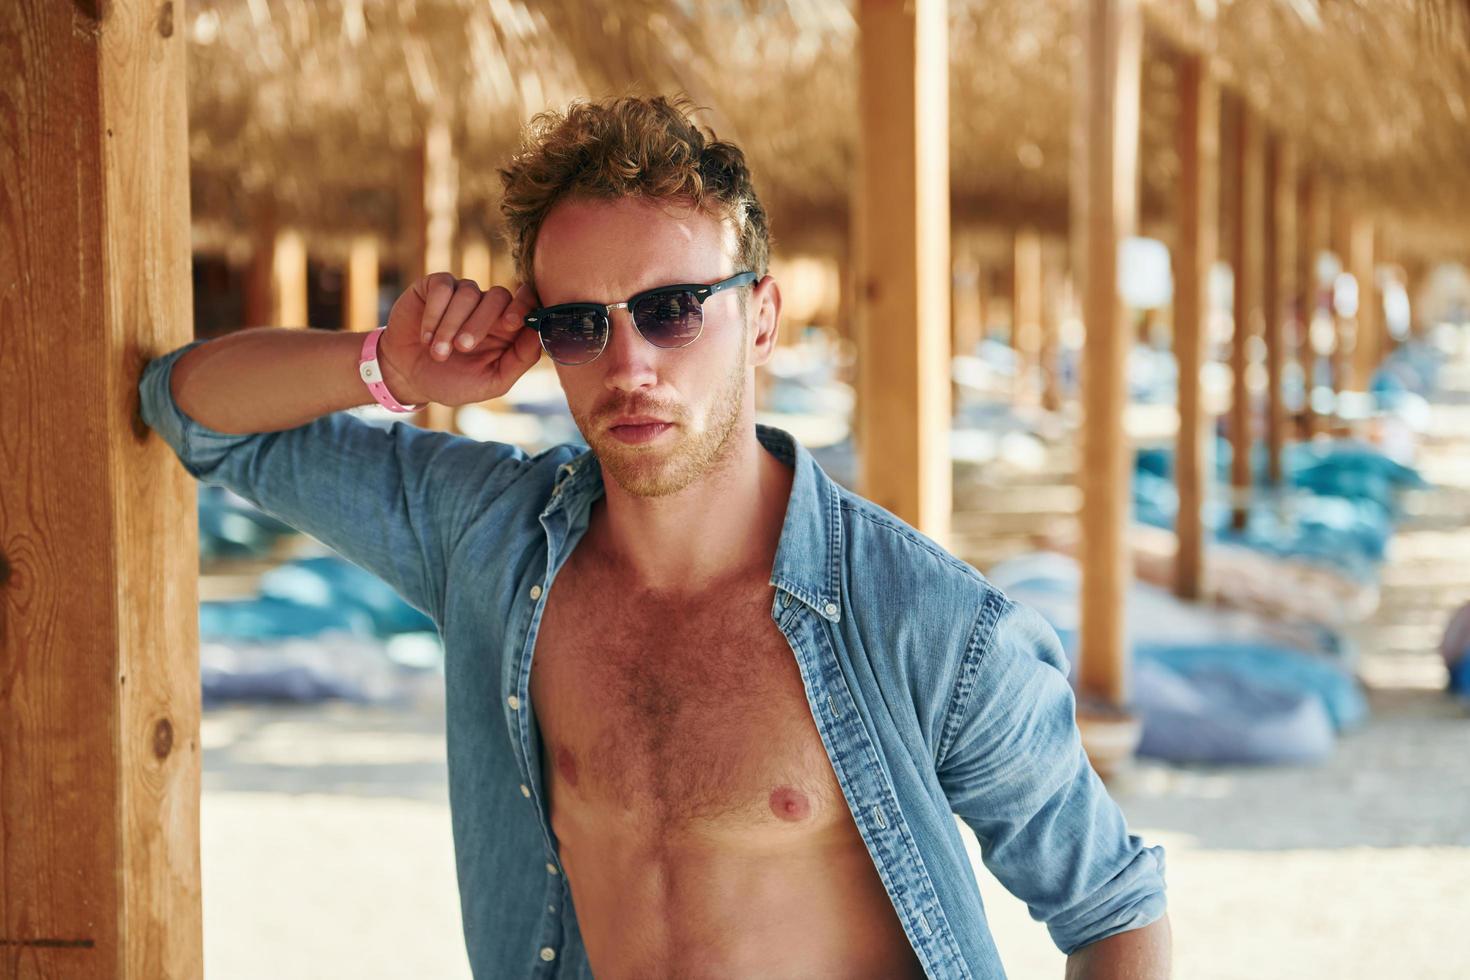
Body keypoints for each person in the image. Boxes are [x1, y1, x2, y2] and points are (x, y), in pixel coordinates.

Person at [140, 95, 1169, 979]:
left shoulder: (931, 623)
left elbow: (1115, 908)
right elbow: (191, 412)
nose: (628, 361)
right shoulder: (492, 542)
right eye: (580, 323)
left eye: (673, 309)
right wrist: (388, 369)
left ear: (760, 318)